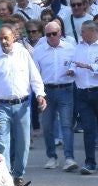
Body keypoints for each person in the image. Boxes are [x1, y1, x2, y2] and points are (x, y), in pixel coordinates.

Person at [0, 26, 47, 186]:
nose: (3, 41)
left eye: (6, 38)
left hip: (22, 105)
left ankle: (18, 174)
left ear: (13, 38)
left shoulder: (22, 52)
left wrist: (40, 94)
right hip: (1, 106)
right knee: (2, 142)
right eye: (0, 38)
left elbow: (34, 76)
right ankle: (6, 175)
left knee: (23, 142)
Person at [33, 19, 78, 171]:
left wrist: (73, 70)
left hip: (66, 89)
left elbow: (76, 63)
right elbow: (35, 74)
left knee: (66, 124)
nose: (51, 37)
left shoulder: (70, 48)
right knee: (47, 125)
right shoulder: (39, 51)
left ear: (61, 33)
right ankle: (51, 156)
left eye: (54, 33)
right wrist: (39, 94)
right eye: (48, 34)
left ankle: (69, 158)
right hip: (47, 90)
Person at [72, 20, 98, 174]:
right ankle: (89, 162)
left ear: (92, 32)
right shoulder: (79, 47)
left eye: (83, 31)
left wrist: (90, 66)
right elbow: (74, 63)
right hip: (83, 93)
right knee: (88, 128)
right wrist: (72, 70)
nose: (81, 34)